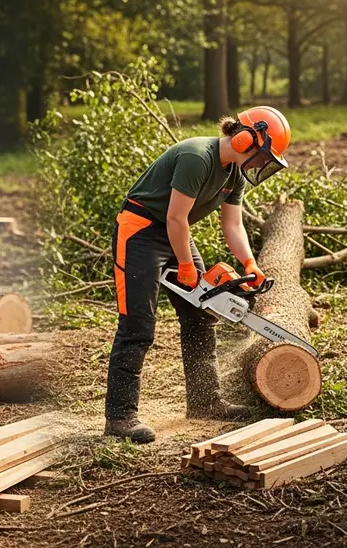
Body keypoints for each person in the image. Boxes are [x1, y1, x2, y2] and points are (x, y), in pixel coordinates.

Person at [105, 106, 293, 444]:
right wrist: (187, 267)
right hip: (140, 231)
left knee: (201, 314)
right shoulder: (197, 156)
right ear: (243, 138)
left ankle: (206, 402)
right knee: (137, 326)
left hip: (175, 233)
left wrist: (249, 263)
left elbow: (233, 225)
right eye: (260, 154)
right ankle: (120, 417)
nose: (258, 163)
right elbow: (177, 217)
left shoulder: (234, 173)